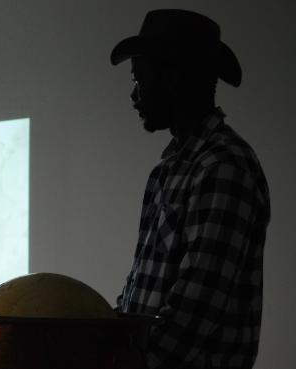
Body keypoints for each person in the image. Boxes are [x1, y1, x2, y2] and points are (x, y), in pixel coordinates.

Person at [110, 9, 271, 369]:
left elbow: (195, 312)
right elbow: (139, 291)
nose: (134, 96)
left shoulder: (223, 167)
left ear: (173, 78)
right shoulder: (168, 170)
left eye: (140, 80)